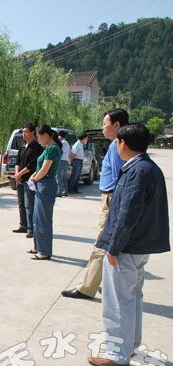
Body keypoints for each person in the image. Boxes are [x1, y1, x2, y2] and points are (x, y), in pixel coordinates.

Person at [88, 123, 169, 366]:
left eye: (117, 142)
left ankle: (117, 353)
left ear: (123, 143)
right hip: (139, 245)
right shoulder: (147, 168)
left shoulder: (137, 171)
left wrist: (114, 247)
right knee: (132, 297)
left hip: (127, 247)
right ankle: (130, 345)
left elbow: (127, 214)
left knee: (117, 301)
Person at [62, 109, 129, 300]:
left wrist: (114, 203)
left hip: (112, 198)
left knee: (102, 243)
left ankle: (87, 288)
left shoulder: (118, 147)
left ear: (117, 125)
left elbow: (120, 179)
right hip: (111, 197)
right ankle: (108, 283)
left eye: (105, 123)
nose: (102, 127)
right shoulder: (118, 145)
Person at [28, 125, 62, 260]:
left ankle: (44, 251)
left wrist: (34, 179)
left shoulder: (53, 149)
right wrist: (34, 176)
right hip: (41, 184)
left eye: (39, 137)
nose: (38, 140)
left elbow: (44, 169)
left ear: (46, 135)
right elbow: (39, 168)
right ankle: (38, 246)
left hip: (46, 185)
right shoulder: (48, 149)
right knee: (37, 218)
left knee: (43, 219)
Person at [12, 123, 43, 238]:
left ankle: (31, 228)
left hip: (29, 181)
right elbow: (17, 162)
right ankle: (23, 225)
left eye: (26, 132)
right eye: (23, 132)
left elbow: (32, 165)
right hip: (19, 179)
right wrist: (17, 174)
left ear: (33, 133)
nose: (23, 134)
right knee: (21, 204)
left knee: (29, 205)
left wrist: (20, 174)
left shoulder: (37, 148)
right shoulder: (22, 147)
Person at [56, 131, 71, 197]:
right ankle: (65, 191)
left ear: (60, 136)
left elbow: (60, 152)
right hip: (66, 161)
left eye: (58, 136)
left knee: (58, 177)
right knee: (64, 178)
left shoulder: (62, 143)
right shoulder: (67, 143)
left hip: (61, 161)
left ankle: (59, 192)